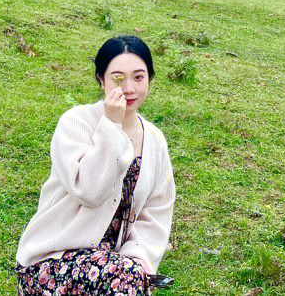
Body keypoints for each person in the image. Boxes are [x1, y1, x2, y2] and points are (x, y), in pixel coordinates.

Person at [15, 35, 176, 296]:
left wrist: (136, 258)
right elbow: (88, 191)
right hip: (52, 261)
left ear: (150, 79)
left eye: (138, 77)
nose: (129, 88)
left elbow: (156, 211)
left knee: (127, 278)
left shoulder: (155, 140)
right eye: (118, 78)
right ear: (101, 79)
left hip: (116, 267)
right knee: (124, 282)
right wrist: (111, 126)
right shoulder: (75, 123)